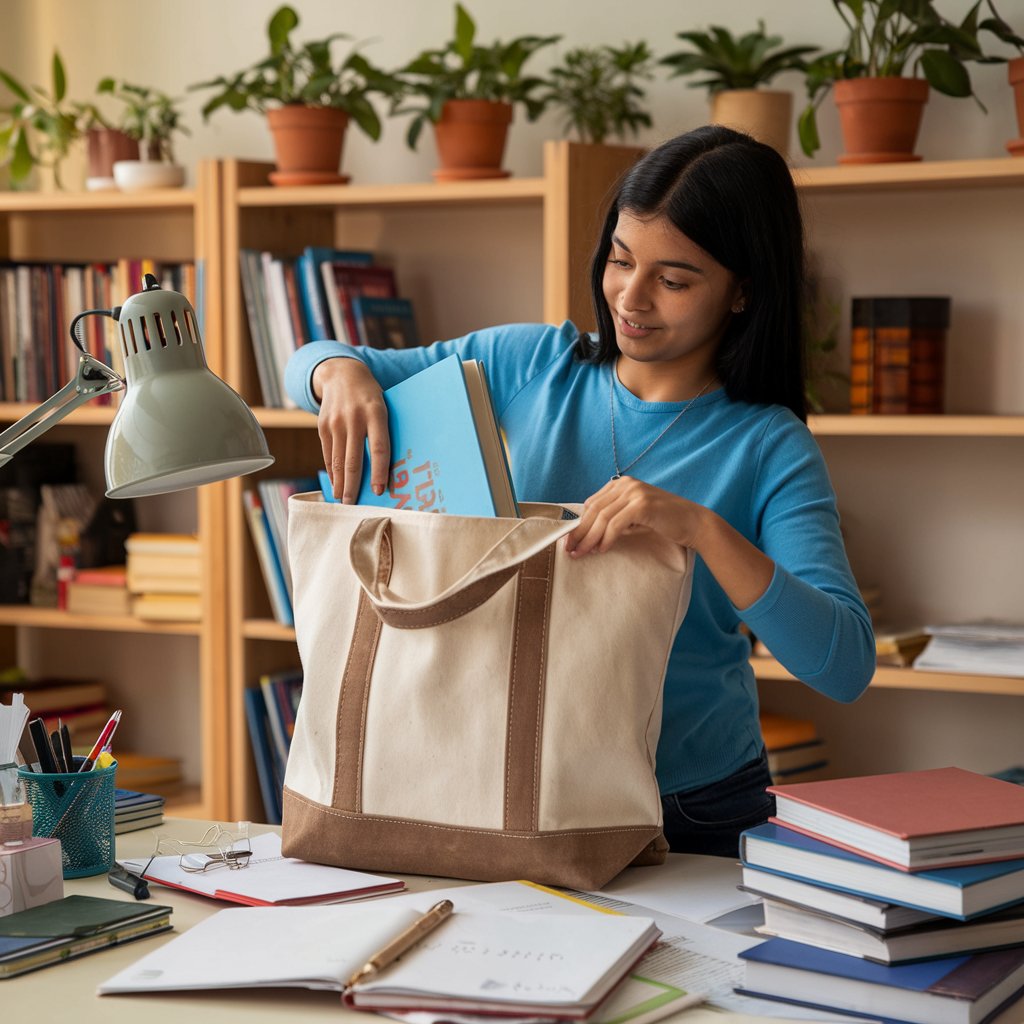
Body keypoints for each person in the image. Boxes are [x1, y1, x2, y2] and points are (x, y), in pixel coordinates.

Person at [284, 125, 875, 858]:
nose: (631, 296)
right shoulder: (529, 363)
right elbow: (314, 360)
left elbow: (844, 664)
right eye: (621, 261)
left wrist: (702, 530)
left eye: (674, 279)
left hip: (690, 803)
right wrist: (337, 376)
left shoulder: (768, 443)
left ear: (743, 290)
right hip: (506, 772)